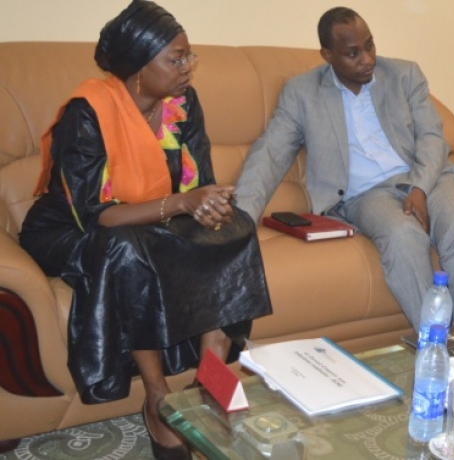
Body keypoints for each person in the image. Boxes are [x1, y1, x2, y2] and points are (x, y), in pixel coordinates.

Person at [18, 1, 273, 458]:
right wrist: (182, 204)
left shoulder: (184, 103)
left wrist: (210, 207)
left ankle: (207, 382)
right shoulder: (87, 113)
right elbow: (97, 215)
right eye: (175, 59)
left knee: (235, 228)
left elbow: (199, 179)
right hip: (70, 229)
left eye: (188, 56)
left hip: (155, 218)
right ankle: (156, 398)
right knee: (124, 247)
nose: (187, 67)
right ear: (138, 68)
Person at [235, 7, 454, 329]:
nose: (367, 59)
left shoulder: (404, 75)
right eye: (352, 53)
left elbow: (432, 136)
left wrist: (419, 186)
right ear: (327, 55)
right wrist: (240, 220)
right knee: (404, 239)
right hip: (367, 195)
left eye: (370, 46)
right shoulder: (302, 93)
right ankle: (436, 344)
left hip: (428, 178)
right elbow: (269, 154)